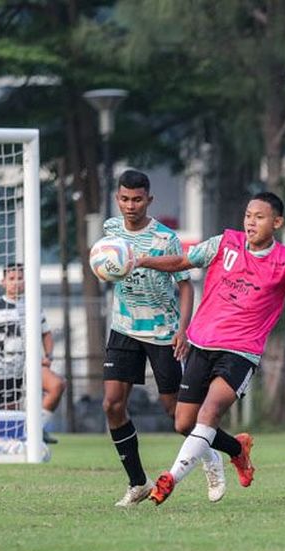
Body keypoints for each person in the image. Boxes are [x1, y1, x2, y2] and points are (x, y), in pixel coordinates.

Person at [135, 191, 285, 505]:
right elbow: (183, 260)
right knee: (185, 423)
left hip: (240, 351)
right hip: (201, 342)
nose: (251, 222)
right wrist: (143, 261)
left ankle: (170, 478)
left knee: (209, 412)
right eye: (248, 215)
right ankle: (237, 450)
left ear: (277, 222)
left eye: (260, 217)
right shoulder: (224, 243)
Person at [99, 169, 225, 507]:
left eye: (137, 199)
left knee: (176, 414)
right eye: (124, 199)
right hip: (124, 327)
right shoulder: (111, 231)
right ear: (117, 199)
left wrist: (183, 329)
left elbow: (186, 285)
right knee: (112, 404)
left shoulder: (165, 238)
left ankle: (211, 456)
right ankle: (138, 482)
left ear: (149, 200)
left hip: (163, 333)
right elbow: (104, 263)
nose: (130, 205)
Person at [0, 263, 64, 444]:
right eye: (12, 279)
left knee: (57, 385)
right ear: (3, 282)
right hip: (3, 367)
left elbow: (46, 334)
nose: (16, 282)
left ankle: (37, 428)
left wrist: (48, 356)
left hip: (30, 363)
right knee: (11, 410)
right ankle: (22, 436)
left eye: (20, 278)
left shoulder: (33, 305)